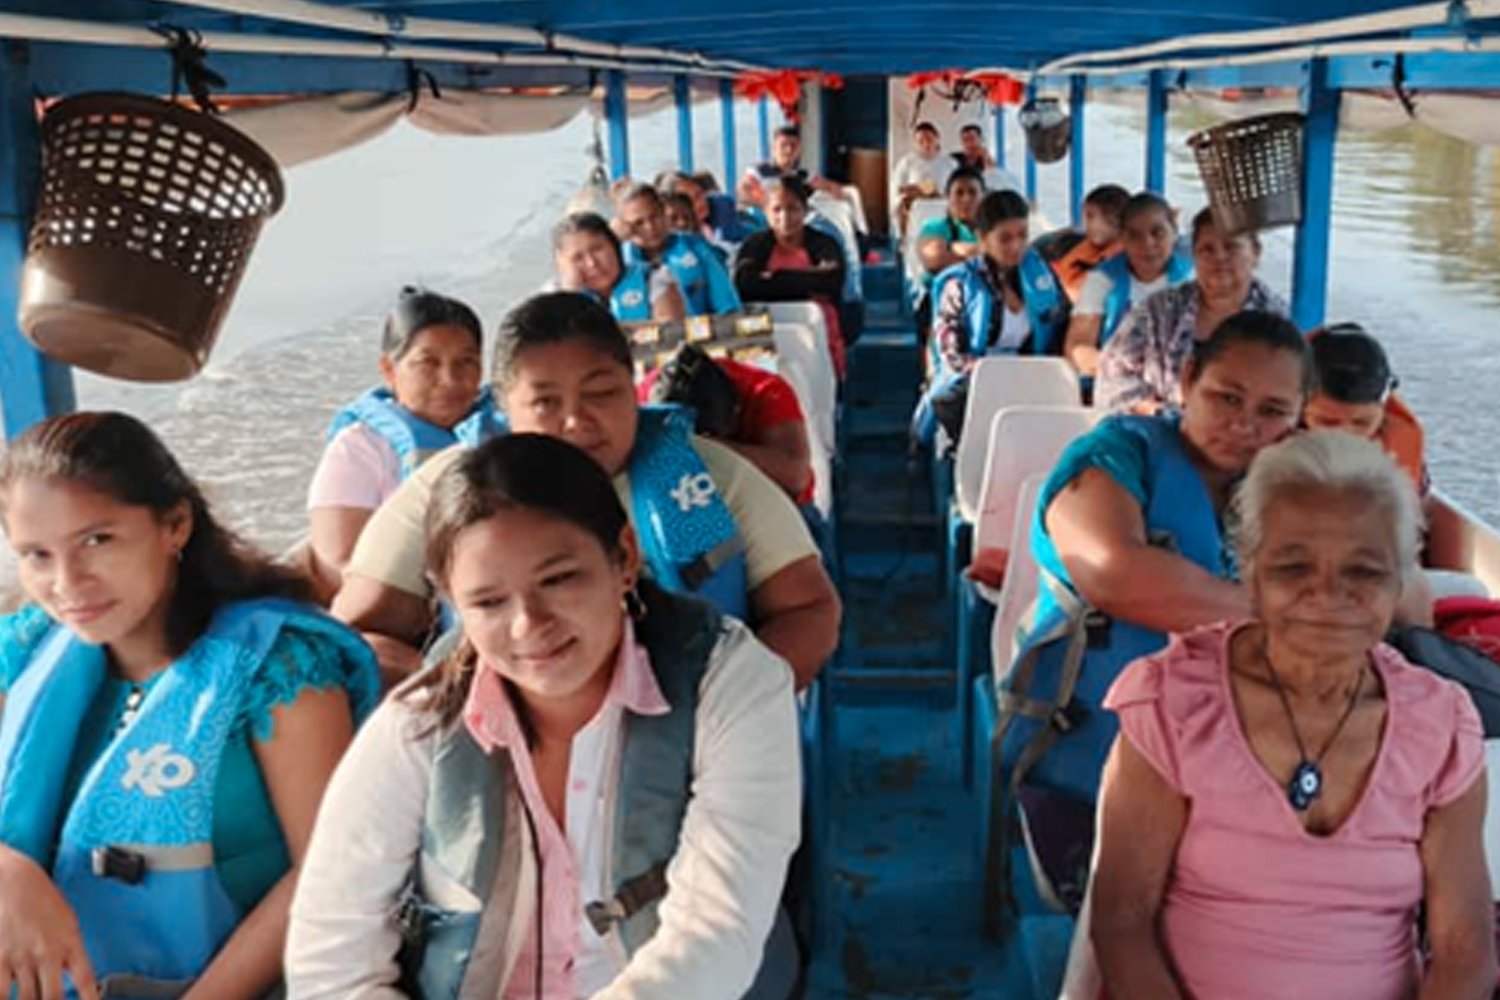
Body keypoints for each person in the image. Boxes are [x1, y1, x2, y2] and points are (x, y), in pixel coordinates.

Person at [286, 434, 802, 1000]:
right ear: (453, 602)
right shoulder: (420, 722)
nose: (529, 625)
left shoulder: (731, 683)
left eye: (559, 580)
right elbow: (332, 956)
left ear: (624, 557)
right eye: (488, 602)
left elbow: (715, 930)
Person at [1092, 430, 1495, 1000]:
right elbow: (1122, 920)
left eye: (1364, 572)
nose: (1328, 596)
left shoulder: (1440, 726)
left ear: (1400, 582)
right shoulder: (1175, 704)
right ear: (1250, 575)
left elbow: (1464, 949)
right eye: (1293, 567)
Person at [0, 411, 380, 1000]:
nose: (68, 583)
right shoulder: (25, 649)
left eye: (97, 541)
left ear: (174, 524)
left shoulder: (280, 668)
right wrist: (8, 868)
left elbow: (327, 875)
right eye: (37, 556)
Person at [331, 293, 840, 690]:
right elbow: (354, 637)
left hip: (697, 728)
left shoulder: (709, 479)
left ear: (633, 388)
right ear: (506, 407)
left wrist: (732, 704)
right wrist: (446, 693)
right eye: (546, 402)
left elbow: (810, 609)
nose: (577, 422)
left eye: (601, 395)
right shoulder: (446, 490)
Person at [992, 312, 1310, 816]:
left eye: (1272, 410)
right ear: (1187, 380)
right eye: (1227, 397)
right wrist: (1293, 619)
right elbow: (1113, 574)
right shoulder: (1116, 456)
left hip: (1235, 755)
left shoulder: (1288, 491)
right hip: (1097, 751)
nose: (1245, 424)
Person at [308, 288, 496, 597]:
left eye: (466, 362)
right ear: (389, 370)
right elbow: (336, 564)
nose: (449, 379)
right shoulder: (359, 449)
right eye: (428, 363)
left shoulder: (503, 428)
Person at [1305, 323, 1468, 571]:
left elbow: (1419, 521)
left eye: (1362, 423)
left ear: (1383, 408)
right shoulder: (1269, 441)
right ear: (1298, 404)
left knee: (1468, 587)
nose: (1347, 436)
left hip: (1389, 573)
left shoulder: (1398, 442)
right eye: (1327, 422)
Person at [1095, 207, 1290, 414]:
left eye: (1231, 247)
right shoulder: (1158, 310)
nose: (1219, 258)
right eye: (1207, 249)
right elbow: (1113, 374)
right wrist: (1156, 412)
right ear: (1194, 257)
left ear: (1255, 254)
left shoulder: (1277, 323)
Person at [912, 189, 1066, 448]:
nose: (1016, 246)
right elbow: (952, 355)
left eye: (1022, 236)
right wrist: (1000, 376)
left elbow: (1060, 327)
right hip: (974, 384)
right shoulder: (959, 283)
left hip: (1032, 379)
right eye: (1005, 239)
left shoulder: (1041, 276)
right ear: (982, 239)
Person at [640, 344, 815, 506]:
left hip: (778, 500)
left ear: (736, 410)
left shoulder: (767, 392)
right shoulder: (643, 404)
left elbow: (797, 477)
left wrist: (709, 447)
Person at [1063, 192, 1193, 382]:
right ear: (1122, 240)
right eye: (1134, 236)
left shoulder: (1192, 278)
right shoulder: (1102, 279)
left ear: (1174, 232)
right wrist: (1119, 370)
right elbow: (1077, 347)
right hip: (1116, 381)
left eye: (1157, 233)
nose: (1148, 244)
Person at [733, 177, 850, 378]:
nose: (785, 218)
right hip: (768, 328)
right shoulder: (755, 245)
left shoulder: (824, 244)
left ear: (805, 211)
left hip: (820, 330)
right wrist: (806, 284)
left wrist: (773, 279)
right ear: (766, 212)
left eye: (793, 209)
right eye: (777, 210)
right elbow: (745, 284)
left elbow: (831, 280)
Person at [616, 183, 742, 317]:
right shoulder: (618, 265)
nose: (650, 227)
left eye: (654, 217)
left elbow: (727, 305)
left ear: (664, 212)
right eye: (638, 223)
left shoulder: (696, 248)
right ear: (625, 227)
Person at [552, 211, 687, 323]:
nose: (592, 263)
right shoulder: (551, 301)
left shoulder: (655, 280)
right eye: (578, 258)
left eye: (597, 249)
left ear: (614, 246)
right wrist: (569, 298)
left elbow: (671, 333)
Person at [916, 166, 985, 288]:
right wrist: (986, 253)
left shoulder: (993, 229)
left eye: (972, 192)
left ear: (983, 197)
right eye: (959, 193)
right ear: (948, 197)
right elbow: (934, 260)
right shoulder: (935, 227)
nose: (966, 199)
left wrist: (953, 248)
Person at [891, 122, 955, 235]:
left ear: (937, 138)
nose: (926, 144)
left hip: (942, 203)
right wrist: (917, 190)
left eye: (929, 139)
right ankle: (905, 243)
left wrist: (937, 194)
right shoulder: (906, 162)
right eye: (921, 141)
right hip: (914, 204)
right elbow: (897, 188)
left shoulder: (950, 163)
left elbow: (956, 187)